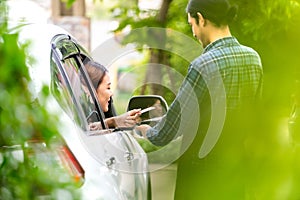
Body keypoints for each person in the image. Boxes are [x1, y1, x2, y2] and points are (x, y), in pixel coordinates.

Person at [135, 0, 263, 199]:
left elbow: (172, 127)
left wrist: (146, 131)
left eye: (191, 24)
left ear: (201, 19)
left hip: (201, 172)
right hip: (238, 168)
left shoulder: (203, 65)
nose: (193, 32)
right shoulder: (254, 59)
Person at [84, 60, 141, 130]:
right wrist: (114, 121)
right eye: (108, 88)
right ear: (90, 90)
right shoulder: (78, 118)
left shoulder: (87, 114)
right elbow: (85, 130)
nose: (112, 94)